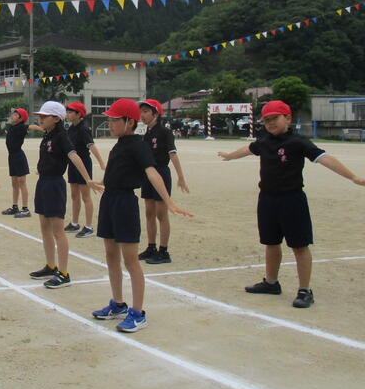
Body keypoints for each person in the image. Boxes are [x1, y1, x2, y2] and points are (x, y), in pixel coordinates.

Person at [218, 100, 365, 308]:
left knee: (299, 245)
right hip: (267, 199)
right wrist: (230, 156)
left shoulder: (298, 142)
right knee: (270, 242)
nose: (270, 123)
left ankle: (305, 290)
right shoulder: (264, 140)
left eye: (275, 118)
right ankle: (271, 283)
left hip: (292, 200)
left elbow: (325, 158)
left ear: (288, 118)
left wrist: (353, 177)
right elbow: (248, 149)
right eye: (267, 120)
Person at [91, 99, 193, 333]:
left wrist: (169, 201)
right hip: (109, 200)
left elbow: (152, 172)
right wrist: (97, 182)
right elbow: (114, 173)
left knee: (130, 260)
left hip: (125, 203)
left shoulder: (138, 145)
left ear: (129, 122)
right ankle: (118, 304)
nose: (110, 124)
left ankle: (137, 313)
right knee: (110, 254)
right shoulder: (119, 145)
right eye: (109, 120)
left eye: (114, 120)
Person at [29, 101, 102, 289]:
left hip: (54, 184)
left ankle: (63, 273)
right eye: (40, 116)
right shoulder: (47, 135)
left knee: (57, 231)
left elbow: (74, 156)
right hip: (43, 182)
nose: (40, 119)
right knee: (44, 227)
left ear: (56, 118)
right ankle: (50, 266)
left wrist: (87, 179)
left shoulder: (62, 136)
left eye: (44, 116)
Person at [137, 99, 189, 265]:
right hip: (148, 174)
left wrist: (181, 177)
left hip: (161, 172)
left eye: (146, 111)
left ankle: (163, 250)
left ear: (156, 114)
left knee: (161, 213)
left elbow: (172, 154)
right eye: (141, 112)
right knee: (149, 212)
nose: (142, 115)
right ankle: (151, 247)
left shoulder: (165, 132)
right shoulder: (146, 133)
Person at [64, 101, 106, 238]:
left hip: (84, 164)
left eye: (71, 112)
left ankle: (88, 226)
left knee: (85, 196)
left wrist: (101, 163)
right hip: (73, 165)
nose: (68, 114)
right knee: (74, 195)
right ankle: (74, 223)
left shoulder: (83, 129)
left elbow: (92, 146)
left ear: (79, 114)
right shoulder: (70, 129)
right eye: (67, 112)